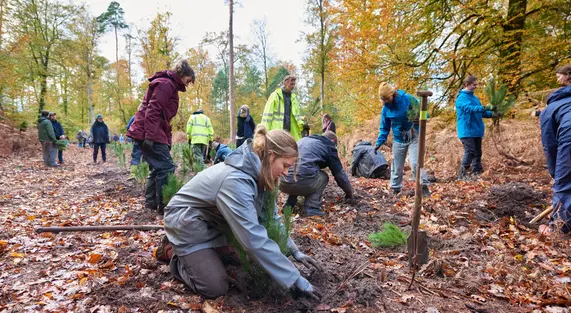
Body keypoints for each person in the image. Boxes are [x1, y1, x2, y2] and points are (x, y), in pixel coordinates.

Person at [156, 126, 322, 300]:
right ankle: (172, 251)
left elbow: (271, 218)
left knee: (242, 263)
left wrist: (294, 251)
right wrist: (295, 278)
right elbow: (252, 239)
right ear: (271, 155)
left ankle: (212, 249)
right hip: (186, 224)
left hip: (214, 223)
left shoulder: (263, 175)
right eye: (285, 165)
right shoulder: (236, 182)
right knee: (215, 287)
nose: (286, 172)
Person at [127, 60, 195, 213]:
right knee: (167, 167)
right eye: (188, 80)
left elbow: (165, 119)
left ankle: (150, 204)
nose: (188, 83)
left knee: (157, 169)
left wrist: (167, 140)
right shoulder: (166, 84)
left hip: (152, 131)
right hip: (149, 131)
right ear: (182, 74)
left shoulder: (169, 85)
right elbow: (153, 110)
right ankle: (165, 206)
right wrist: (150, 137)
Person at [375, 82, 430, 197]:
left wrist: (419, 118)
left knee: (416, 164)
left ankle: (423, 187)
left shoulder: (408, 99)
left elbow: (424, 112)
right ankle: (395, 189)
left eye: (387, 98)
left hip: (414, 136)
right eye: (383, 99)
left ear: (392, 94)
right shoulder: (386, 109)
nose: (385, 101)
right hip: (399, 139)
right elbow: (384, 127)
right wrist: (379, 142)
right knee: (397, 166)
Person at [280, 131, 353, 217]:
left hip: (283, 181)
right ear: (333, 141)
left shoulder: (303, 140)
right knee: (323, 177)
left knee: (300, 171)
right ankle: (312, 208)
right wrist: (349, 192)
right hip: (300, 181)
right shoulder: (328, 146)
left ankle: (289, 205)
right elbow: (340, 175)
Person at [539, 65, 571, 235]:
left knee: (565, 184)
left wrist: (556, 173)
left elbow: (550, 145)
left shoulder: (550, 109)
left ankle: (559, 228)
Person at [455, 76, 498, 180]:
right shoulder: (461, 98)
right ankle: (462, 175)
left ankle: (477, 172)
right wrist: (485, 107)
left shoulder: (475, 98)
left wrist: (493, 114)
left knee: (478, 152)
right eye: (474, 84)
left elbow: (481, 112)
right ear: (467, 84)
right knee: (470, 152)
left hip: (477, 130)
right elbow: (469, 109)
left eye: (476, 84)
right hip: (466, 130)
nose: (476, 86)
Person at [261, 75, 308, 141]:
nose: (293, 86)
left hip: (290, 134)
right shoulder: (275, 95)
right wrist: (264, 133)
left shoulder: (294, 98)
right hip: (276, 134)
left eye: (294, 84)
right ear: (285, 83)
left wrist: (302, 126)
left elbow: (296, 118)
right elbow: (267, 116)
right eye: (291, 84)